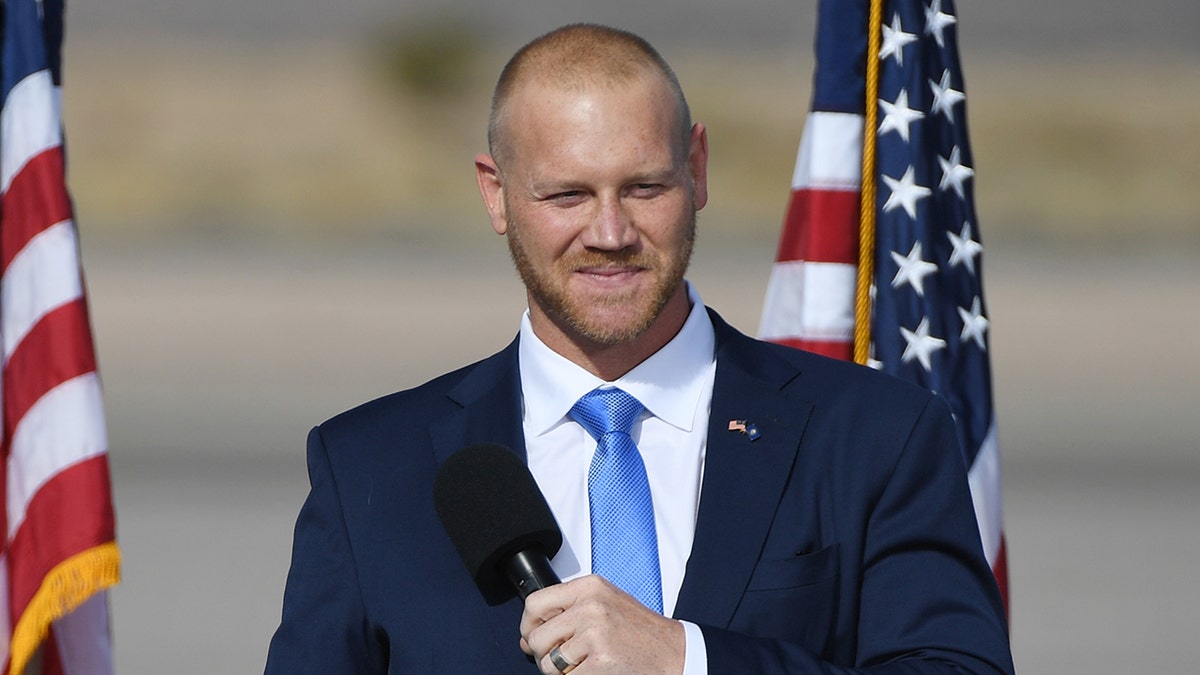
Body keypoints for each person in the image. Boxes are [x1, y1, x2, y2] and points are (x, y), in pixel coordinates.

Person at [265, 23, 1014, 674]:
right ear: (495, 193)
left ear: (698, 168)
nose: (611, 233)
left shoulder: (875, 436)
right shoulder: (369, 466)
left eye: (645, 187)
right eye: (567, 195)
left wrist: (689, 659)